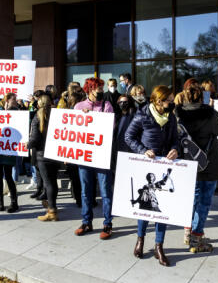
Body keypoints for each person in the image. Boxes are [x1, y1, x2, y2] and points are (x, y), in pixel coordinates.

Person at [124, 85, 181, 266]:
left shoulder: (170, 118)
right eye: (168, 101)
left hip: (164, 165)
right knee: (145, 208)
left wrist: (175, 149)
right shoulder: (142, 115)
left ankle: (159, 246)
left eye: (172, 101)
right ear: (158, 101)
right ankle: (140, 240)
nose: (171, 104)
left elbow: (176, 140)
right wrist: (143, 150)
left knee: (162, 210)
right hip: (147, 166)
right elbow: (128, 137)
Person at [177, 84, 218, 253]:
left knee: (190, 199)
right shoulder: (209, 113)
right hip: (209, 163)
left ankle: (187, 232)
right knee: (204, 201)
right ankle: (196, 237)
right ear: (201, 97)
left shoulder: (178, 113)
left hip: (187, 163)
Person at [73, 78, 116, 239]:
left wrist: (93, 118)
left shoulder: (106, 106)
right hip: (84, 157)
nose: (100, 91)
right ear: (89, 90)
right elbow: (73, 131)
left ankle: (107, 224)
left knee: (105, 192)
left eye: (101, 88)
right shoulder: (78, 107)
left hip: (101, 156)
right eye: (97, 89)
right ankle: (86, 222)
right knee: (86, 192)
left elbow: (109, 128)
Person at [29, 94, 60, 221]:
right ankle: (53, 206)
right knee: (53, 182)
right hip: (55, 154)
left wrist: (27, 144)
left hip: (42, 156)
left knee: (48, 183)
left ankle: (52, 211)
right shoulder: (57, 115)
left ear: (38, 104)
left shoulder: (37, 117)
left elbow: (35, 140)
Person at [0, 93, 20, 213]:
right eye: (13, 99)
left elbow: (19, 130)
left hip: (8, 150)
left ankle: (14, 202)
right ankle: (0, 202)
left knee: (8, 177)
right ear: (6, 100)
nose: (15, 101)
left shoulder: (17, 112)